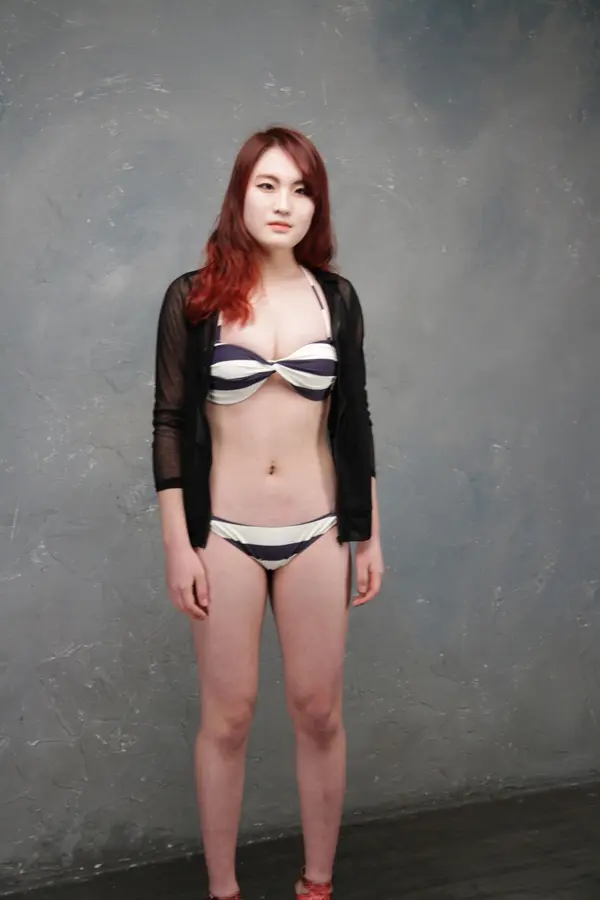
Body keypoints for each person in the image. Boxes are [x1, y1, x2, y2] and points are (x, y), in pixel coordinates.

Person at [152, 124, 384, 900]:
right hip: (223, 534)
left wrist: (368, 534)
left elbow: (355, 419)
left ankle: (317, 885)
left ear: (317, 204)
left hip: (319, 530)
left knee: (319, 712)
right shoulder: (193, 298)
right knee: (229, 717)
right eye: (268, 185)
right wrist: (178, 544)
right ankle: (224, 890)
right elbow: (168, 422)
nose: (285, 203)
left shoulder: (335, 298)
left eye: (301, 188)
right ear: (240, 195)